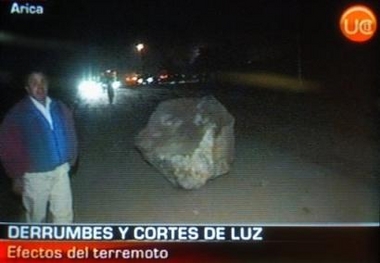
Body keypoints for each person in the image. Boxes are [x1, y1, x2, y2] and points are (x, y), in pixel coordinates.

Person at [0, 72, 78, 223]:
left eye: (43, 81)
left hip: (61, 170)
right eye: (34, 83)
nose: (40, 86)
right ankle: (38, 246)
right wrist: (16, 176)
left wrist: (72, 157)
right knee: (36, 220)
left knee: (64, 215)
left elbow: (70, 130)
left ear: (48, 85)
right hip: (35, 176)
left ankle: (64, 246)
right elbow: (7, 146)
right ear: (28, 88)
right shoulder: (18, 113)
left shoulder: (59, 106)